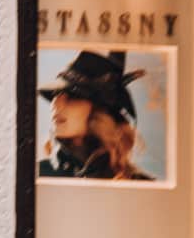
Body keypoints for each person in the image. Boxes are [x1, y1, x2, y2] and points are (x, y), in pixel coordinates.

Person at [39, 51, 153, 181]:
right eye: (55, 95)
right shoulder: (37, 175)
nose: (56, 104)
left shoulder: (140, 184)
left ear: (98, 112)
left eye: (72, 97)